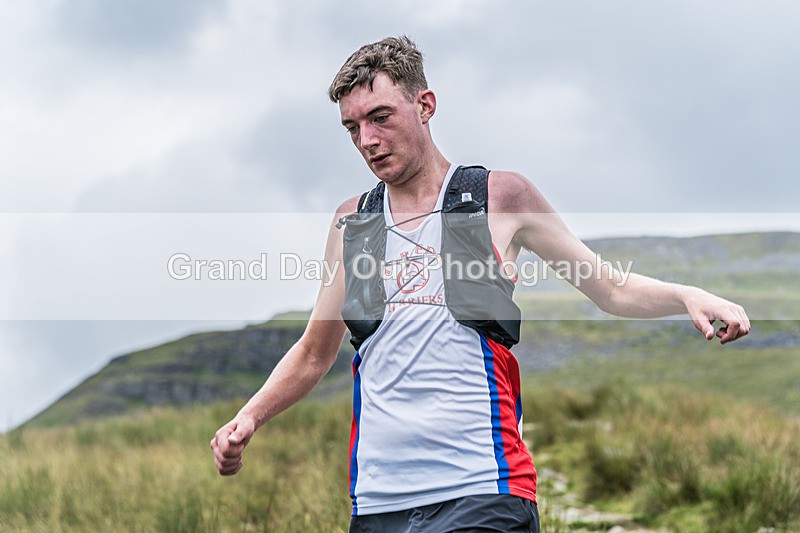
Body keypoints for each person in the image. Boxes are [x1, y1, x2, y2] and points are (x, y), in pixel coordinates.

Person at [211, 36, 750, 532]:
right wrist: (248, 418)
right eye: (353, 127)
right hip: (378, 501)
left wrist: (686, 295)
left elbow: (610, 289)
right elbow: (313, 354)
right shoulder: (351, 221)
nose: (367, 141)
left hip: (484, 490)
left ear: (425, 106)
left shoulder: (501, 196)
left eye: (379, 117)